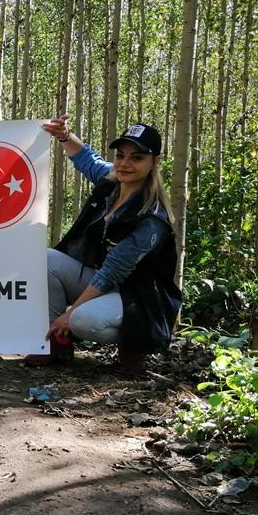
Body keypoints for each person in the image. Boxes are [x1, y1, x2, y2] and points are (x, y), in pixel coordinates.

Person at [29, 115, 181, 371]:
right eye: (121, 155)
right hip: (103, 282)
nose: (125, 163)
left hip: (137, 297)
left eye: (137, 157)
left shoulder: (152, 218)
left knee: (81, 320)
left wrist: (69, 314)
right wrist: (65, 135)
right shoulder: (111, 182)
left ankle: (134, 345)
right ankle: (55, 343)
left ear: (154, 162)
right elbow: (86, 160)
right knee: (45, 260)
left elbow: (113, 271)